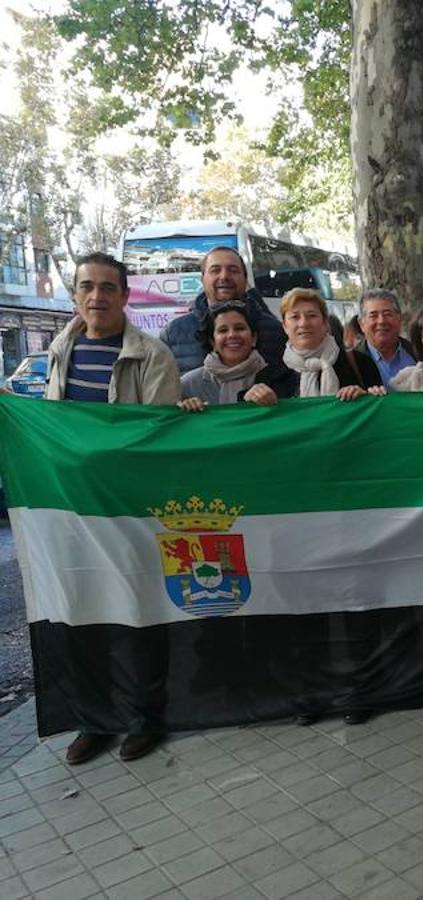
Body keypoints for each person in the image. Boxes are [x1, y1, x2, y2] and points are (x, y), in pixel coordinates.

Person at [46, 253, 181, 766]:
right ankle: (94, 719)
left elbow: (157, 437)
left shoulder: (152, 356)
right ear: (75, 294)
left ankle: (145, 715)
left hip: (129, 510)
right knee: (82, 613)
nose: (96, 296)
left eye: (107, 287)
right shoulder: (60, 351)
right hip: (72, 512)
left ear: (125, 296)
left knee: (137, 613)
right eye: (87, 287)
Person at [160, 246, 288, 377]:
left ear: (245, 279)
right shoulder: (173, 334)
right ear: (202, 279)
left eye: (233, 270)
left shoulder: (276, 331)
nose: (224, 276)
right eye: (215, 270)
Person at [177, 303, 297, 409]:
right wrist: (182, 409)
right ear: (212, 342)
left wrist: (276, 405)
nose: (232, 335)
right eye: (223, 330)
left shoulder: (282, 378)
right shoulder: (188, 385)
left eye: (239, 328)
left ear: (254, 338)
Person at [279, 288, 384, 400]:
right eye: (295, 317)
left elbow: (378, 409)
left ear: (325, 322)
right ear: (285, 326)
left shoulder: (360, 363)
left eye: (312, 315)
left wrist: (365, 397)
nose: (304, 323)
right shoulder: (274, 372)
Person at [358, 288, 417, 388]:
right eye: (373, 316)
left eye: (387, 314)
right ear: (361, 324)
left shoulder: (418, 354)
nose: (381, 321)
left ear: (399, 319)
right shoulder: (352, 362)